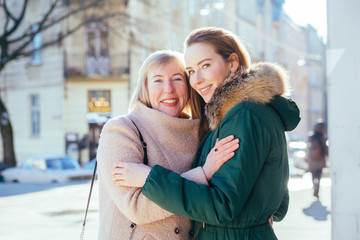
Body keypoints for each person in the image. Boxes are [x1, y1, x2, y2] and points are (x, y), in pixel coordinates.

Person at [113, 27, 301, 240]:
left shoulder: (244, 114)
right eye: (191, 71)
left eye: (206, 66)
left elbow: (222, 207)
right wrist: (255, 220)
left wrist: (150, 178)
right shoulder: (240, 112)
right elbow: (279, 206)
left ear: (232, 62)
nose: (197, 80)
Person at [96, 50, 239, 240]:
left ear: (189, 87)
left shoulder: (201, 133)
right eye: (158, 80)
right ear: (145, 87)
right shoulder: (122, 130)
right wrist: (203, 174)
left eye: (177, 79)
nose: (169, 89)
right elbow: (136, 209)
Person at [307, 120, 328, 199]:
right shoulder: (323, 137)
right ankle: (317, 189)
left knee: (313, 175)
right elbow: (325, 149)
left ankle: (314, 187)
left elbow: (308, 148)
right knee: (319, 176)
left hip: (312, 160)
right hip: (321, 160)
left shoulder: (311, 136)